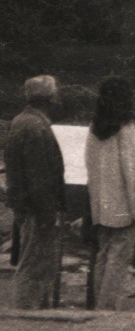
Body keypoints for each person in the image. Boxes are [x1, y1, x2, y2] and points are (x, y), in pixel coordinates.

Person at [84, 77, 135, 310]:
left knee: (103, 255)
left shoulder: (95, 127)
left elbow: (91, 165)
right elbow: (131, 173)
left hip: (102, 204)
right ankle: (107, 308)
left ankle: (99, 304)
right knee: (118, 260)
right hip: (123, 206)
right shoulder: (125, 127)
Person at [4, 75, 67, 309]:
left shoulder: (22, 121)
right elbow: (39, 177)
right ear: (49, 97)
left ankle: (31, 308)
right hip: (36, 208)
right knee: (34, 262)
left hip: (26, 206)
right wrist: (47, 213)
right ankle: (24, 310)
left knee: (33, 259)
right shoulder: (36, 127)